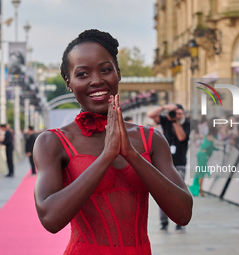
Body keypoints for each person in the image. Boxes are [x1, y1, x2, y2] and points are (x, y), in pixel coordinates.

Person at [33, 29, 192, 255]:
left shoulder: (151, 138)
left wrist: (132, 155)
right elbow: (50, 219)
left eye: (106, 70)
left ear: (118, 73)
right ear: (68, 83)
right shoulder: (52, 142)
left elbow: (183, 214)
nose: (96, 80)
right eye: (82, 74)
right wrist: (107, 155)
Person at [147, 103, 190, 232]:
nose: (177, 115)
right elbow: (151, 115)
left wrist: (176, 122)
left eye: (180, 114)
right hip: (165, 164)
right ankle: (164, 222)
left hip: (180, 164)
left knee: (179, 194)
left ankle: (180, 221)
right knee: (164, 194)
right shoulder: (166, 120)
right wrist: (165, 108)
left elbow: (182, 137)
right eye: (176, 113)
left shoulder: (185, 123)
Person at [190, 119, 219, 197]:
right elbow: (215, 145)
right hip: (203, 155)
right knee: (201, 172)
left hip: (202, 154)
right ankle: (200, 190)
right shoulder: (211, 137)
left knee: (199, 172)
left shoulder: (209, 135)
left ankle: (197, 189)